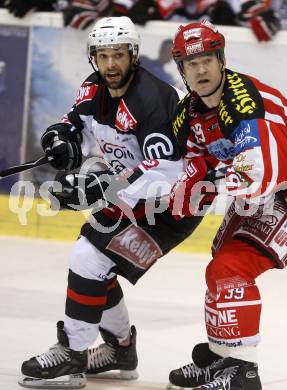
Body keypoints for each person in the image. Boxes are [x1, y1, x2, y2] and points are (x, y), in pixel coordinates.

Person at [19, 16, 206, 389]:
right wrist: (61, 141)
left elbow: (167, 171)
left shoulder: (152, 99)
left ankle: (73, 355)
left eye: (118, 55)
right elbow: (74, 125)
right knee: (92, 261)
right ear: (94, 58)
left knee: (89, 258)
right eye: (103, 56)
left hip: (174, 205)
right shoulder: (93, 90)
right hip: (134, 197)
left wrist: (104, 188)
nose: (110, 65)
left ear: (133, 55)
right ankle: (120, 350)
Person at [167, 20, 287, 390]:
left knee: (232, 266)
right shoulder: (189, 113)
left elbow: (263, 172)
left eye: (207, 60)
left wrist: (206, 183)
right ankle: (224, 355)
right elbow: (180, 170)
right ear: (182, 70)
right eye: (191, 64)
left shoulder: (242, 99)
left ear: (221, 59)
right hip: (262, 187)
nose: (201, 69)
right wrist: (119, 187)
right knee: (219, 263)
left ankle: (244, 371)